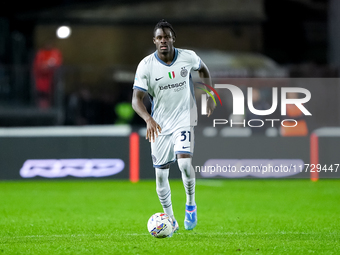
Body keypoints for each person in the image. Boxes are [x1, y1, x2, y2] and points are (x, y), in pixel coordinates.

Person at [132, 19, 215, 235]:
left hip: (184, 119)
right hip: (159, 125)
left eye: (167, 37)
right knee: (161, 176)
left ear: (173, 39)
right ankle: (171, 219)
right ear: (154, 41)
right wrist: (148, 119)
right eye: (159, 37)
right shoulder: (146, 66)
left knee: (185, 164)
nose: (163, 41)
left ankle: (190, 205)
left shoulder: (187, 56)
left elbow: (203, 69)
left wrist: (209, 95)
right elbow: (136, 99)